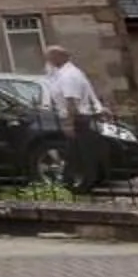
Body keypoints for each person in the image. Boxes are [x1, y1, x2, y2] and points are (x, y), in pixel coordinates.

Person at [39, 46, 102, 186]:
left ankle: (80, 182)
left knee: (79, 153)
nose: (47, 62)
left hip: (77, 119)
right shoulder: (65, 73)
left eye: (49, 58)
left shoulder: (69, 76)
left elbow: (71, 101)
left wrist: (69, 123)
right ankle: (72, 180)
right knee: (74, 152)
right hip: (77, 118)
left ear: (58, 57)